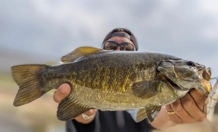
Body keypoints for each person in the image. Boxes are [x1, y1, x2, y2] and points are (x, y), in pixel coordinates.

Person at [53, 28, 208, 132]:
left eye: (127, 49)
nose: (118, 50)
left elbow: (153, 119)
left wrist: (173, 114)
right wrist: (85, 115)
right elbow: (81, 124)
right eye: (110, 46)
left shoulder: (139, 106)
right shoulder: (80, 84)